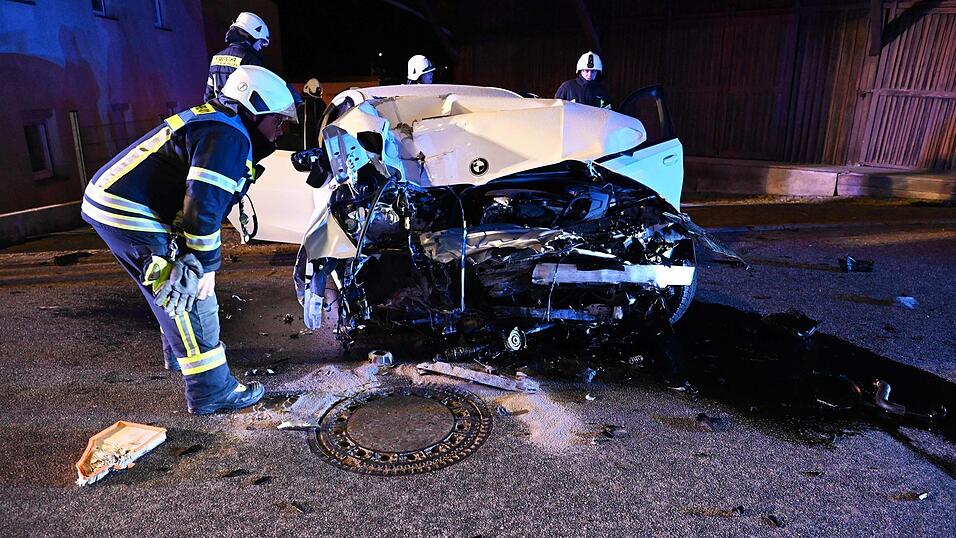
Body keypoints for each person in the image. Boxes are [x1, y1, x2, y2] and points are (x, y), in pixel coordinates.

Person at [81, 66, 297, 415]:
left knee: (169, 283)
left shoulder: (221, 123)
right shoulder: (229, 136)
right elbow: (202, 210)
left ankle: (181, 357)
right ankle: (212, 391)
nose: (280, 131)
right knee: (190, 293)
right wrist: (204, 266)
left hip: (117, 202)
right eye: (278, 121)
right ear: (255, 107)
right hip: (127, 209)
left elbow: (192, 200)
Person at [204, 12, 270, 102]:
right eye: (261, 43)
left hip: (219, 113)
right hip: (240, 114)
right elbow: (258, 97)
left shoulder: (216, 57)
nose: (260, 48)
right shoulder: (251, 60)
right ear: (252, 37)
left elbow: (208, 95)